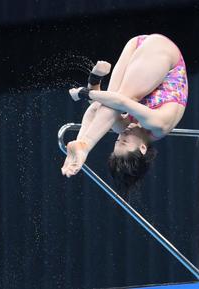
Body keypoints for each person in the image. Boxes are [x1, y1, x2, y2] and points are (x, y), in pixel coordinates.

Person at [62, 34, 187, 193]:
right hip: (163, 51)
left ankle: (82, 143)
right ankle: (84, 147)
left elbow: (96, 108)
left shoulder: (126, 128)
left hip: (136, 45)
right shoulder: (159, 125)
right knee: (123, 99)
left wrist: (94, 81)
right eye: (125, 142)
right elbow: (121, 102)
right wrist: (84, 93)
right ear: (142, 148)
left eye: (118, 141)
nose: (122, 136)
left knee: (113, 106)